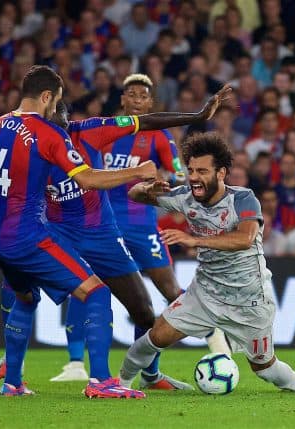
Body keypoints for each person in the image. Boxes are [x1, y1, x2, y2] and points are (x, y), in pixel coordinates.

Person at [0, 87, 232, 389]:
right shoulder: (35, 143)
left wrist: (196, 116)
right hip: (57, 233)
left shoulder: (91, 130)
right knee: (18, 288)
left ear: (69, 123)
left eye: (63, 127)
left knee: (144, 311)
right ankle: (15, 365)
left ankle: (150, 375)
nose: (58, 134)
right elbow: (6, 192)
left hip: (102, 234)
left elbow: (146, 121)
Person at [0, 65, 156, 399]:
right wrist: (136, 171)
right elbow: (86, 179)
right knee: (96, 292)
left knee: (25, 299)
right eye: (55, 102)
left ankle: (12, 383)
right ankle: (101, 381)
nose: (56, 109)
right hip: (28, 238)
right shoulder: (48, 134)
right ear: (45, 96)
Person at [118, 131, 295, 392]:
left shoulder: (242, 198)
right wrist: (146, 189)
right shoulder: (185, 197)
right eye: (191, 170)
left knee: (264, 368)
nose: (194, 177)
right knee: (156, 336)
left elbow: (245, 238)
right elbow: (134, 195)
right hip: (205, 292)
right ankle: (120, 384)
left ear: (221, 173)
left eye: (202, 171)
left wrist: (195, 240)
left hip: (249, 298)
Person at [102, 73, 230, 353]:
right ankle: (76, 364)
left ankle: (216, 340)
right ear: (122, 99)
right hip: (104, 226)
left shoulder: (159, 136)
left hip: (141, 226)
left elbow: (178, 174)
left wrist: (161, 184)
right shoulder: (105, 130)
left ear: (150, 103)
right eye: (131, 94)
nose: (136, 100)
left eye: (143, 96)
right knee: (92, 292)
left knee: (170, 291)